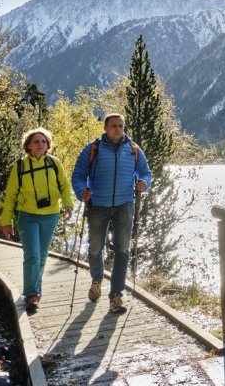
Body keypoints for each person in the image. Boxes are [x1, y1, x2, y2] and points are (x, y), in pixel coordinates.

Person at [71, 113, 151, 314]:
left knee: (122, 250)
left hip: (125, 205)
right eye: (114, 125)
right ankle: (97, 279)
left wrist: (144, 183)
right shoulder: (93, 149)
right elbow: (78, 176)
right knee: (95, 248)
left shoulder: (132, 149)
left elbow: (145, 172)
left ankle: (116, 295)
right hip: (98, 205)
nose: (117, 129)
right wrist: (82, 191)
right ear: (105, 128)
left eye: (121, 126)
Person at [0, 127, 74, 314]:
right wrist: (6, 221)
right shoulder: (20, 166)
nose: (41, 144)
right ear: (28, 146)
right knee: (32, 254)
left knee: (41, 255)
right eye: (36, 142)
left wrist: (68, 204)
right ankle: (32, 295)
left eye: (44, 141)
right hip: (27, 215)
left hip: (51, 215)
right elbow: (10, 196)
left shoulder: (54, 163)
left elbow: (64, 186)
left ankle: (35, 291)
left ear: (48, 145)